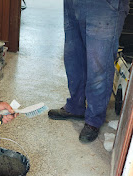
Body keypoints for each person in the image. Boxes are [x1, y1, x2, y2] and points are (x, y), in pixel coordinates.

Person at [48, 0, 129, 143]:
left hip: (104, 6)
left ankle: (94, 119)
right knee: (74, 60)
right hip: (73, 4)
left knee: (99, 66)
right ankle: (76, 106)